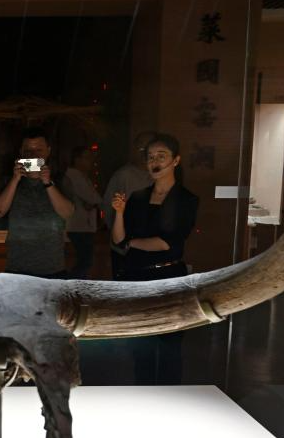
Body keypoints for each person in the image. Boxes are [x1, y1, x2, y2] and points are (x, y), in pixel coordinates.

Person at [110, 134, 198, 385]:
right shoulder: (138, 197)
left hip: (169, 278)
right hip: (138, 278)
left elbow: (168, 243)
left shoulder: (186, 199)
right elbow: (119, 239)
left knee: (170, 347)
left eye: (161, 156)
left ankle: (169, 396)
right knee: (140, 348)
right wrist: (119, 214)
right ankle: (144, 395)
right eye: (150, 157)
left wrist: (132, 243)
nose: (155, 162)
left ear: (175, 161)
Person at [0, 127, 74, 278]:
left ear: (48, 151)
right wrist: (15, 179)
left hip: (52, 268)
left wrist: (48, 183)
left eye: (39, 151)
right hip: (17, 269)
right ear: (21, 153)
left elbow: (67, 213)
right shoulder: (9, 180)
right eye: (28, 151)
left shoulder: (60, 179)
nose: (34, 156)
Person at [103, 133, 154, 280]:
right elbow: (108, 207)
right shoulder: (124, 175)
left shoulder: (159, 176)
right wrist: (118, 235)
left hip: (152, 247)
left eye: (149, 148)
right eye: (141, 148)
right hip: (125, 248)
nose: (145, 153)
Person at [61, 146, 104, 279]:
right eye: (87, 158)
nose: (90, 161)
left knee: (83, 261)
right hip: (78, 226)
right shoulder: (74, 175)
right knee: (84, 261)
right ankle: (73, 285)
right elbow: (94, 198)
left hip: (81, 226)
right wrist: (94, 202)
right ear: (77, 159)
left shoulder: (80, 176)